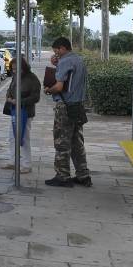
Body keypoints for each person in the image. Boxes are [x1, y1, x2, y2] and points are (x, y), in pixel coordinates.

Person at [43, 37, 91, 188]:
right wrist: (57, 64)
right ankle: (83, 175)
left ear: (62, 48)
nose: (55, 54)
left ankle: (62, 176)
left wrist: (47, 90)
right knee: (77, 142)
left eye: (56, 51)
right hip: (78, 105)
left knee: (62, 142)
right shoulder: (79, 60)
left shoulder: (65, 61)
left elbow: (58, 87)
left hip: (65, 106)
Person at [2, 56, 41, 173]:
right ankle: (13, 160)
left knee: (23, 137)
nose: (14, 71)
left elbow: (36, 97)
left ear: (23, 67)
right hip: (14, 110)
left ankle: (26, 164)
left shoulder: (32, 79)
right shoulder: (15, 77)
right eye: (12, 69)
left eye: (16, 69)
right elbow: (10, 89)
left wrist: (20, 101)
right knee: (12, 136)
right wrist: (9, 97)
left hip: (25, 111)